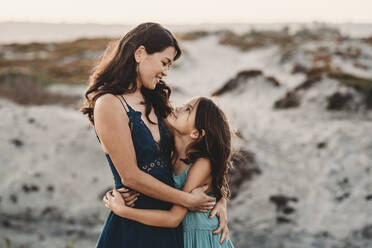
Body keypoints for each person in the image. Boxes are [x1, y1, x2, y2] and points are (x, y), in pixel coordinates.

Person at [80, 23, 229, 247]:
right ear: (140, 54)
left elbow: (205, 143)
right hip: (135, 224)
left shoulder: (155, 99)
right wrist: (188, 200)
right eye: (164, 62)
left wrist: (220, 200)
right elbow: (130, 176)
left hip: (171, 224)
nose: (165, 72)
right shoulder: (109, 104)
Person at [104, 97, 235, 248]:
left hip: (205, 239)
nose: (178, 107)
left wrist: (122, 210)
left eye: (188, 109)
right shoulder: (170, 154)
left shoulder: (201, 164)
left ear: (196, 133)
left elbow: (174, 218)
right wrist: (119, 191)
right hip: (181, 238)